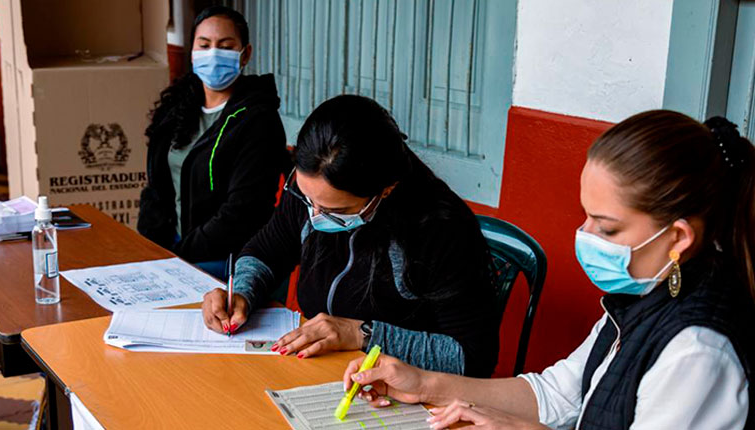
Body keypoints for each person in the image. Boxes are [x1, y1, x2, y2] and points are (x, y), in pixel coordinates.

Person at [342, 110, 755, 429]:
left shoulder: (698, 351)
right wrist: (422, 383)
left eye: (607, 227)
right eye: (587, 216)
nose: (584, 234)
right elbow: (559, 393)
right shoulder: (646, 291)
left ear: (678, 237)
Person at [201, 95, 500, 377]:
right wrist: (241, 293)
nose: (314, 215)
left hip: (404, 392)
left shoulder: (440, 231)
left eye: (334, 209)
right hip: (321, 370)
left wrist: (360, 334)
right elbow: (267, 251)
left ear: (385, 189)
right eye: (308, 199)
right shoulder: (308, 193)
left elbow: (473, 357)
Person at [138, 6, 289, 277]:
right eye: (204, 45)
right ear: (193, 53)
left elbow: (243, 211)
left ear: (246, 54)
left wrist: (180, 256)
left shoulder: (258, 120)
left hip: (224, 259)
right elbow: (157, 187)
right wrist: (152, 247)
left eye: (225, 45)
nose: (213, 54)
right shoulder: (176, 108)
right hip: (173, 251)